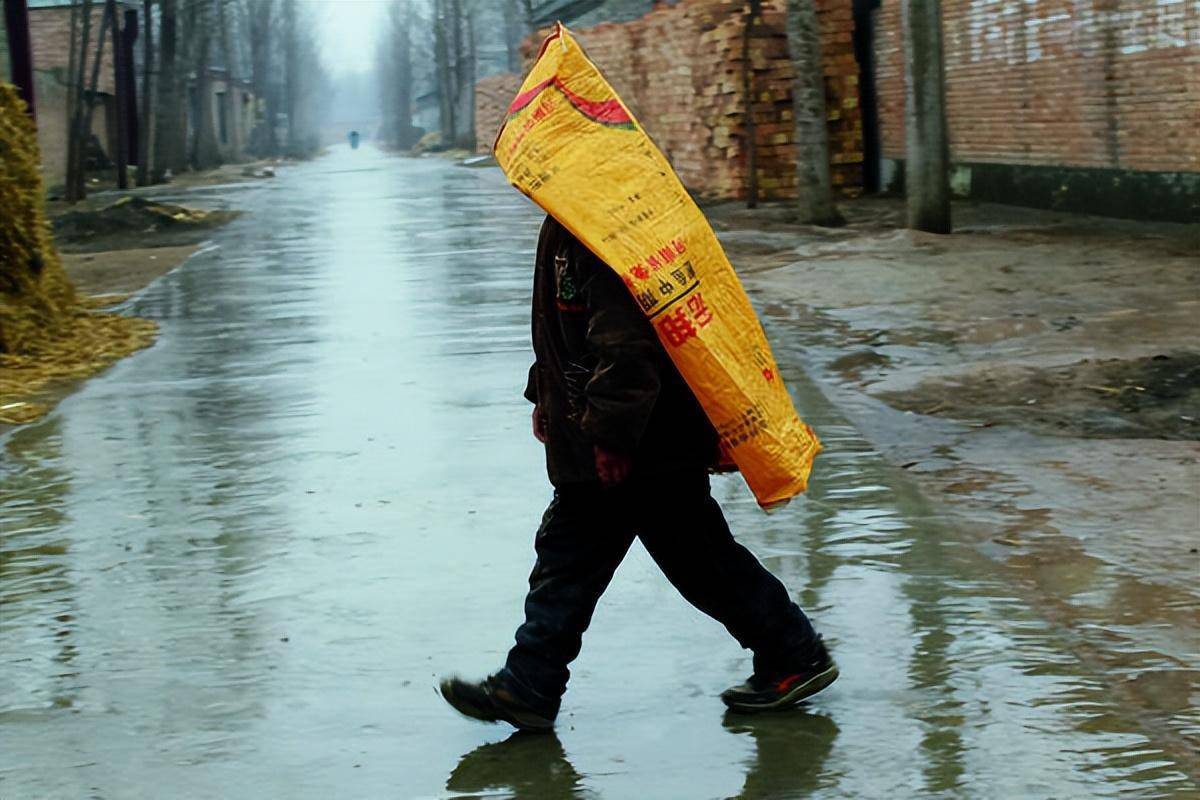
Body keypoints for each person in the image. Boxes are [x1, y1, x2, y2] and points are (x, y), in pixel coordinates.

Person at [440, 217, 836, 731]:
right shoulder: (565, 218)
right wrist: (545, 391)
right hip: (615, 437)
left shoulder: (603, 224)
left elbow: (627, 344)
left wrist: (610, 436)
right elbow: (565, 327)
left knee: (674, 560)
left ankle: (794, 654)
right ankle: (531, 682)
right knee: (602, 559)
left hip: (643, 443)